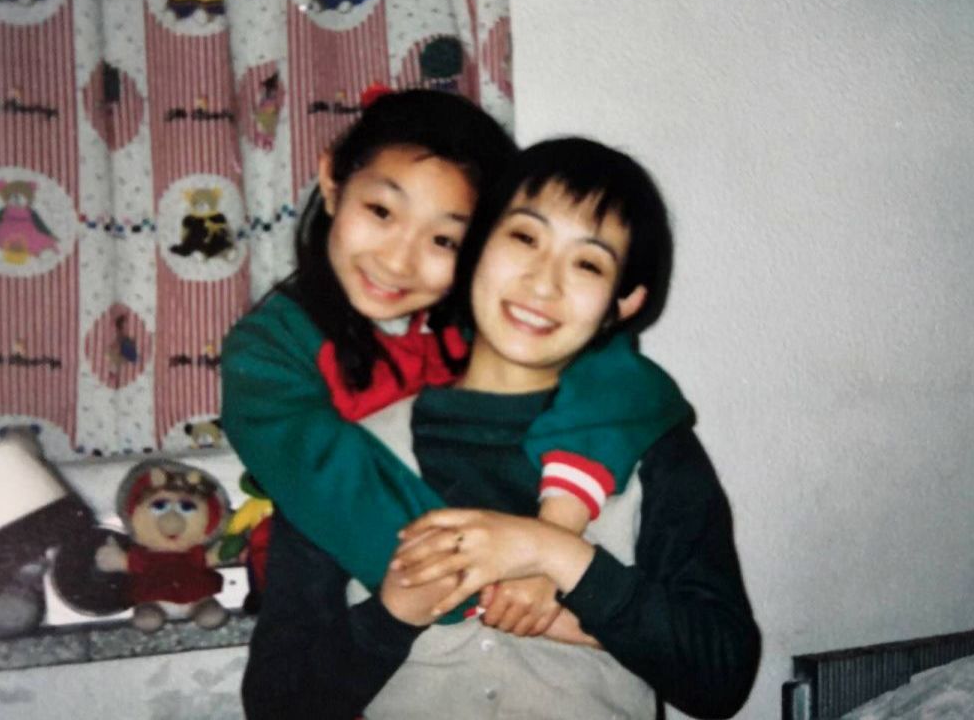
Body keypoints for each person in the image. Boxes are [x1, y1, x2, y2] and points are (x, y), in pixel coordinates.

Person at [242, 138, 761, 719]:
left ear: (624, 302)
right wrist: (391, 616)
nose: (543, 283)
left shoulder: (653, 446)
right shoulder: (350, 455)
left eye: (588, 264)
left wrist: (557, 555)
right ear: (475, 247)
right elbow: (274, 706)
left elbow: (722, 677)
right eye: (524, 238)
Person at [221, 91, 687, 619]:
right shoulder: (267, 356)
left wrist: (555, 528)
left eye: (444, 240)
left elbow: (623, 377)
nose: (397, 261)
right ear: (332, 181)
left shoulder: (476, 323)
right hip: (348, 615)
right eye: (381, 211)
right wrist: (537, 587)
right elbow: (353, 506)